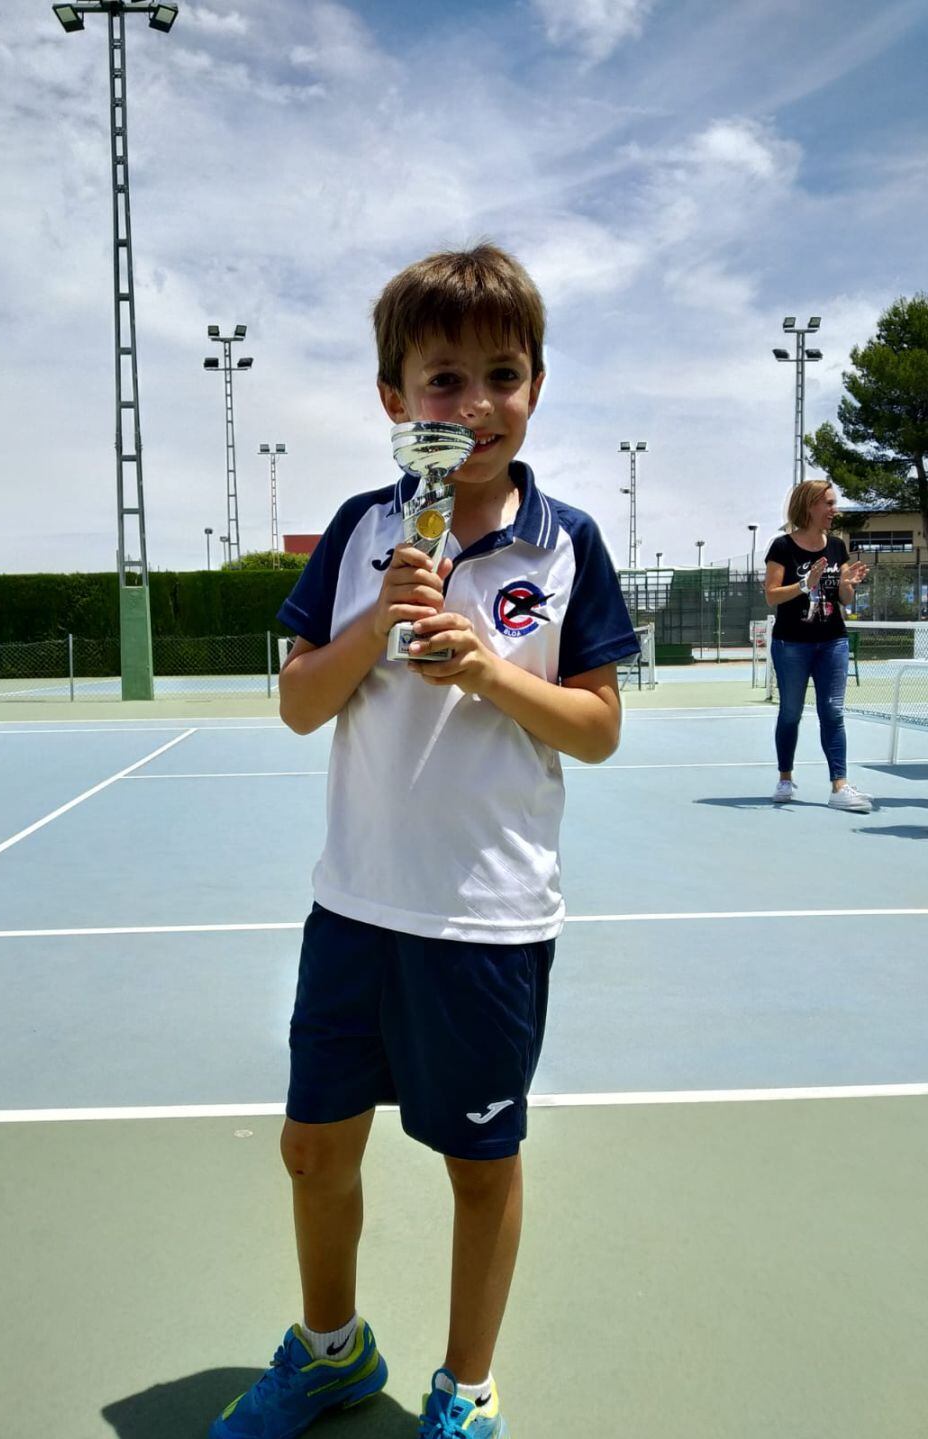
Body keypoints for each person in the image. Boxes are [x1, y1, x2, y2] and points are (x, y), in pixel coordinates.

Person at [209, 243, 638, 1439]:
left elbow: (599, 730)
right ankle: (336, 1352)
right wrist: (380, 620)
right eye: (443, 380)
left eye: (502, 373)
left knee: (479, 1165)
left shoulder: (569, 544)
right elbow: (300, 702)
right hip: (353, 906)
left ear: (536, 386)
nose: (475, 403)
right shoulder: (359, 530)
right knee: (311, 1148)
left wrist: (492, 671)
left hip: (488, 922)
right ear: (396, 400)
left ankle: (465, 1386)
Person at [763, 478, 870, 812]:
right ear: (809, 505)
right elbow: (771, 596)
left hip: (832, 642)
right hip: (791, 644)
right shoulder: (782, 547)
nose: (833, 510)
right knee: (790, 713)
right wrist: (805, 584)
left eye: (833, 503)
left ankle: (839, 786)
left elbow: (844, 598)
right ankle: (785, 777)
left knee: (833, 712)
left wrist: (848, 585)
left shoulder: (837, 546)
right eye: (828, 503)